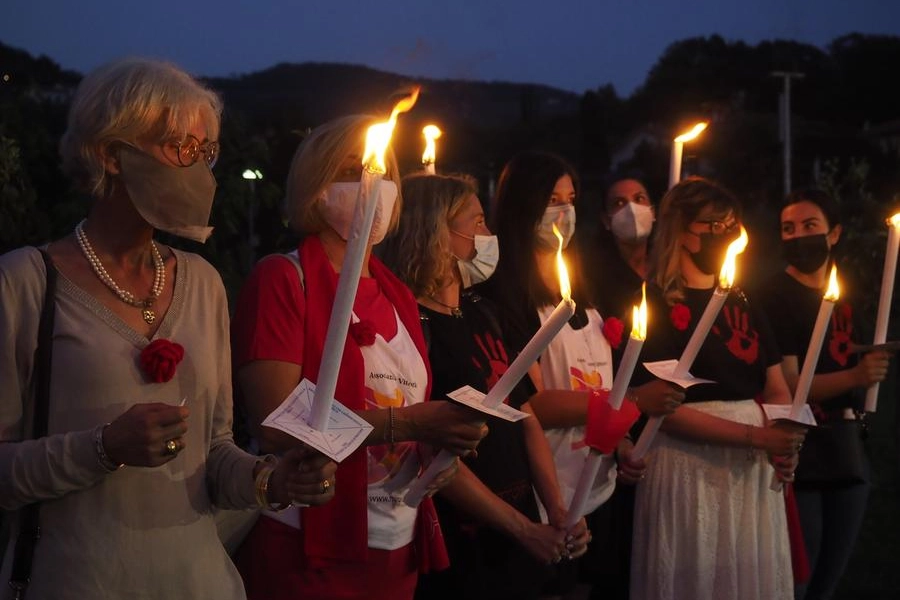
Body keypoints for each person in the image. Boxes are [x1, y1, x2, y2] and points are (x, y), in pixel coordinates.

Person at [0, 57, 336, 600]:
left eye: (206, 153)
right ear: (110, 153)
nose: (198, 171)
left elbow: (215, 451)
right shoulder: (24, 283)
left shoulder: (202, 282)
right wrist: (104, 447)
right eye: (180, 148)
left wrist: (273, 480)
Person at [229, 115, 488, 600]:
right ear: (315, 189)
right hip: (307, 542)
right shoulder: (283, 279)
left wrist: (438, 447)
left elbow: (411, 409)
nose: (374, 186)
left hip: (394, 542)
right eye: (350, 172)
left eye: (384, 173)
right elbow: (273, 422)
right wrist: (409, 424)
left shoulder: (398, 298)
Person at [478, 151, 684, 598]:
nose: (565, 211)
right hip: (542, 489)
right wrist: (630, 406)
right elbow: (529, 401)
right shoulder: (503, 296)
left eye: (571, 198)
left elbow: (594, 377)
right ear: (524, 205)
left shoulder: (579, 284)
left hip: (595, 483)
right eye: (553, 199)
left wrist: (621, 441)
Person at [381, 172, 591, 600]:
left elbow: (525, 417)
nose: (488, 234)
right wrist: (522, 529)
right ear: (436, 232)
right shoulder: (409, 326)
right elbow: (429, 451)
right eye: (476, 223)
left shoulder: (484, 312)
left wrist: (557, 509)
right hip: (466, 532)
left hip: (520, 521)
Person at [628, 176, 807, 600]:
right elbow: (664, 405)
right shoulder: (652, 303)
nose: (725, 235)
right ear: (684, 233)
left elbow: (776, 384)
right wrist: (758, 436)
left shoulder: (743, 300)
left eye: (731, 225)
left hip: (751, 466)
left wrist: (784, 441)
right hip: (687, 464)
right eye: (714, 225)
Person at [757, 188, 890, 600]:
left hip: (847, 444)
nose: (798, 237)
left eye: (809, 226)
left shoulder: (844, 296)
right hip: (804, 449)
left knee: (830, 578)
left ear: (834, 234)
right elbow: (792, 384)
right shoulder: (774, 296)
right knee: (801, 573)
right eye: (788, 229)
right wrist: (855, 377)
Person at [579, 175, 655, 321]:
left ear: (653, 212)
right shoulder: (592, 279)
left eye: (639, 199)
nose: (632, 209)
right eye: (619, 203)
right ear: (606, 220)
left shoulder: (667, 268)